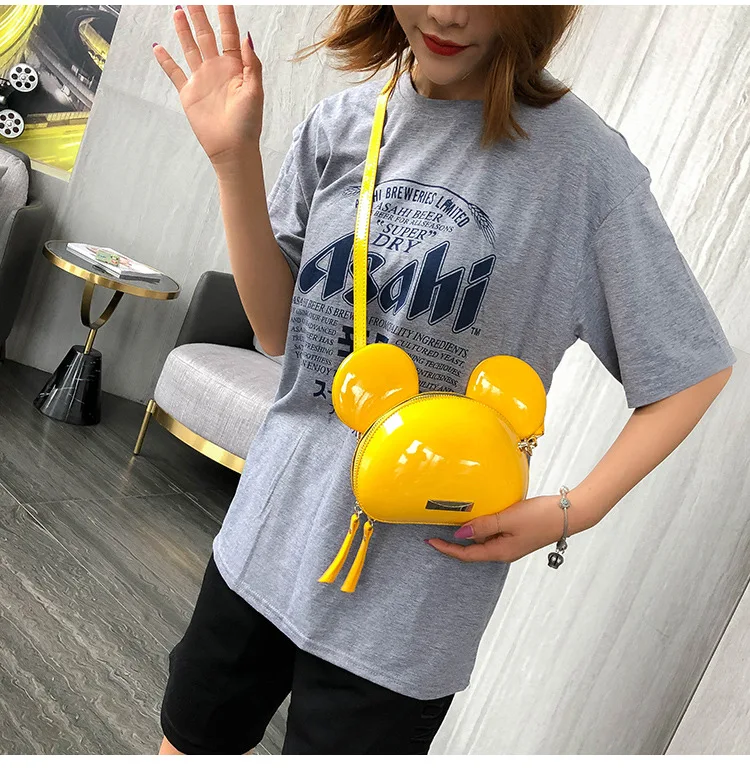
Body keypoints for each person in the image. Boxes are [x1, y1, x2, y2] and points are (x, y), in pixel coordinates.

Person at [151, 4, 736, 756]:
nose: (448, 13)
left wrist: (574, 510)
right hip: (266, 543)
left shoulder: (582, 168)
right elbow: (276, 334)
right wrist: (234, 161)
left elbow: (690, 368)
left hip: (409, 611)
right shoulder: (341, 126)